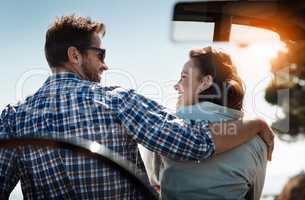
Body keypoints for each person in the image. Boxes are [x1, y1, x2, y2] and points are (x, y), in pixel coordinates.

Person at [0, 15, 273, 200]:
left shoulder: (13, 119)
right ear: (74, 55)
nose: (105, 64)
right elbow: (195, 143)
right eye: (100, 54)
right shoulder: (116, 100)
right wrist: (255, 124)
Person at [144, 47, 267, 200]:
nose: (176, 86)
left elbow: (155, 182)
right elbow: (253, 195)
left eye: (183, 77)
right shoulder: (258, 139)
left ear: (205, 82)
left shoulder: (166, 128)